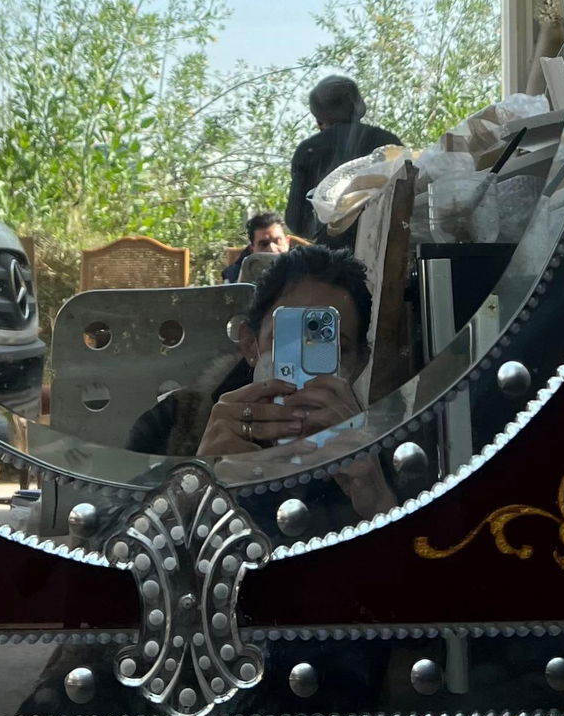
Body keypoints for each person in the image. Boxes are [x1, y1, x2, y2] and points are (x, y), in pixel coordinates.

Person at [126, 244, 396, 521]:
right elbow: (101, 541)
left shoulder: (382, 446)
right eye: (287, 341)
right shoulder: (174, 423)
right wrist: (198, 482)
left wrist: (379, 501)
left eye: (332, 349)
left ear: (360, 363)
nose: (303, 370)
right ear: (249, 346)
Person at [284, 75, 402, 241]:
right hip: (386, 248)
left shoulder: (308, 151)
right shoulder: (389, 142)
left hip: (333, 257)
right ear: (359, 105)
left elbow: (297, 221)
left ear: (319, 117)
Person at [221, 211, 290, 282]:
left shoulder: (300, 265)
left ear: (287, 242)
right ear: (252, 249)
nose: (271, 249)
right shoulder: (237, 274)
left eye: (277, 241)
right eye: (264, 244)